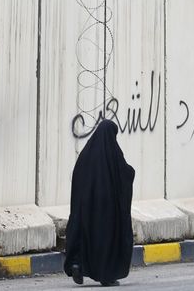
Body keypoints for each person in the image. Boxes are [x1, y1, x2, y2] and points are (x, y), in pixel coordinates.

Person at [64, 120, 135, 287]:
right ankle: (107, 275)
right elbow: (125, 174)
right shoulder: (113, 154)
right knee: (106, 238)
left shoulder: (85, 155)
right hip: (107, 210)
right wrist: (131, 172)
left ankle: (77, 264)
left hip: (85, 208)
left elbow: (76, 179)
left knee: (85, 237)